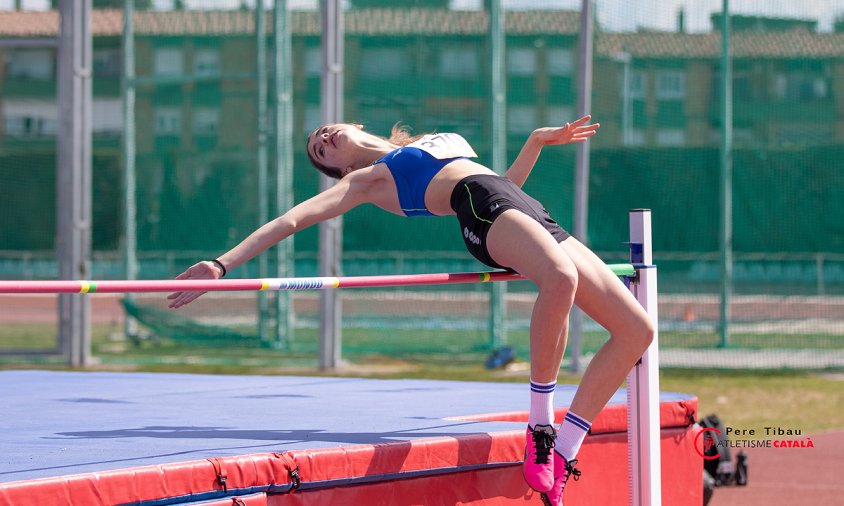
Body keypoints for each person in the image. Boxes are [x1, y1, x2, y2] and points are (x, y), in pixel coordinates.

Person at [167, 115, 654, 505]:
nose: (326, 139)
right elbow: (292, 219)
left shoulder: (431, 140)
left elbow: (501, 183)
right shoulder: (365, 182)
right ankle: (541, 425)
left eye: (325, 132)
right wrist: (221, 263)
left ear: (353, 123)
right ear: (335, 168)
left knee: (636, 330)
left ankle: (563, 454)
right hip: (481, 213)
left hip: (520, 205)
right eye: (320, 150)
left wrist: (535, 142)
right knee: (561, 279)